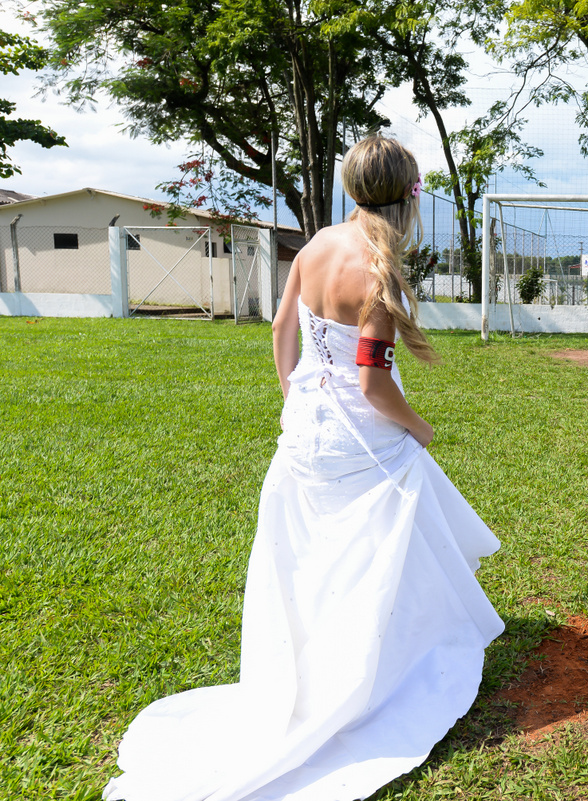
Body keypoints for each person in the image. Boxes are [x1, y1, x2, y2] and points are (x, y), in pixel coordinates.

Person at [104, 135, 505, 801]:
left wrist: (296, 395)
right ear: (409, 196)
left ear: (351, 190)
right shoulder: (379, 272)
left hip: (308, 432)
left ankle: (329, 659)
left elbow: (281, 325)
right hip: (360, 436)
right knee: (389, 523)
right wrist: (419, 426)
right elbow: (373, 384)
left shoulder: (317, 243)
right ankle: (388, 660)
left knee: (320, 551)